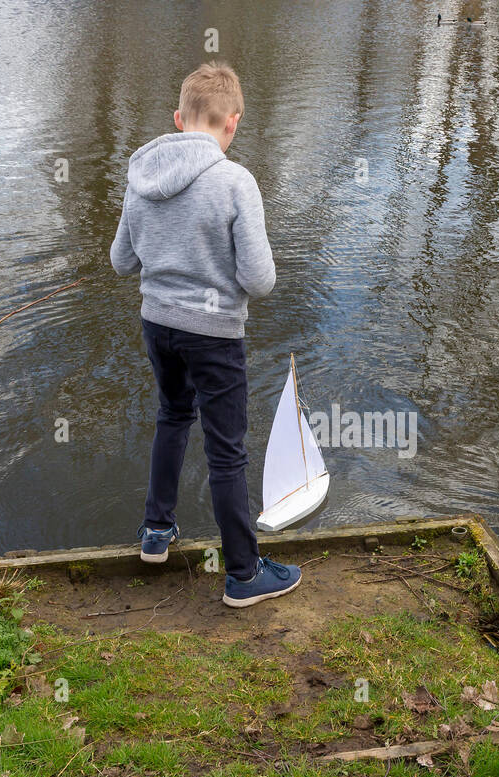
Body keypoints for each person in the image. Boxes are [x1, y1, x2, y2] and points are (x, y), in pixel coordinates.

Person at [110, 61, 301, 608]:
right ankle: (243, 574)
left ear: (178, 118)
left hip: (158, 325)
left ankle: (156, 531)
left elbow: (122, 262)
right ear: (232, 123)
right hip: (214, 334)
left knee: (172, 415)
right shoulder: (235, 182)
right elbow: (259, 281)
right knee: (226, 453)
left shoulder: (139, 175)